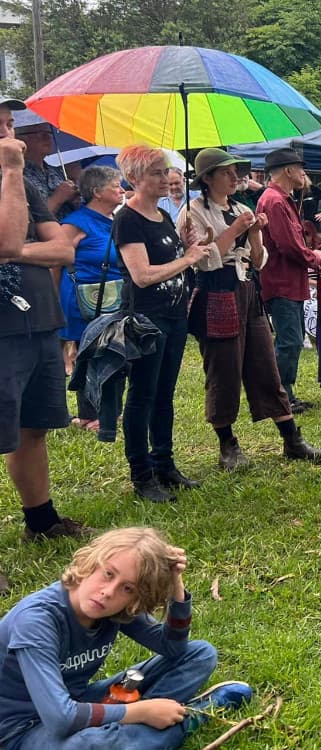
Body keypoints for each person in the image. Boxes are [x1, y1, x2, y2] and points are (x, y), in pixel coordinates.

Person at [0, 527, 254, 750]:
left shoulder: (113, 608)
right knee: (92, 745)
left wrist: (175, 584)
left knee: (200, 654)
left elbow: (173, 648)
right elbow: (60, 719)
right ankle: (184, 721)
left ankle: (147, 724)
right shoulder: (37, 621)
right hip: (20, 732)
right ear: (90, 562)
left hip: (76, 701)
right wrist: (138, 712)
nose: (108, 592)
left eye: (128, 588)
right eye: (108, 574)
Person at [181, 147, 321, 470]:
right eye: (226, 172)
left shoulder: (239, 205)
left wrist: (255, 233)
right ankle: (228, 445)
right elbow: (204, 259)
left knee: (265, 362)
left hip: (247, 288)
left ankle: (291, 438)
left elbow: (258, 259)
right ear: (207, 179)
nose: (235, 177)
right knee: (224, 368)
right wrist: (236, 230)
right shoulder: (193, 212)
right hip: (216, 290)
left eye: (236, 171)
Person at [0, 96, 92, 559]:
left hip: (38, 319)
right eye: (1, 126)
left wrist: (17, 250)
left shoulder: (26, 188)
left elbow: (63, 250)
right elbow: (8, 237)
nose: (10, 136)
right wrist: (14, 174)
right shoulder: (16, 177)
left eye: (10, 123)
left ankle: (41, 520)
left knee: (32, 427)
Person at [114, 145, 207, 502]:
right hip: (146, 319)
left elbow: (177, 259)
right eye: (156, 172)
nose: (166, 178)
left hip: (173, 316)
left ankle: (164, 463)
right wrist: (186, 259)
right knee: (142, 395)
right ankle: (142, 474)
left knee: (164, 395)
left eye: (166, 170)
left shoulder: (164, 217)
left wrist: (187, 247)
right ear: (134, 178)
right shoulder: (129, 218)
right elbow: (141, 275)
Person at [256, 148, 321, 413]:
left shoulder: (281, 199)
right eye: (300, 168)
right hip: (281, 281)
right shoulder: (274, 201)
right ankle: (278, 395)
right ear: (287, 170)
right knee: (289, 340)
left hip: (289, 280)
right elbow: (288, 245)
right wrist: (314, 256)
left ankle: (286, 392)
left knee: (292, 339)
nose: (303, 173)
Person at [59, 166, 125, 432]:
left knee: (111, 352)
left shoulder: (114, 220)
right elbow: (57, 261)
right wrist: (54, 300)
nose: (122, 190)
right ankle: (92, 414)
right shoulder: (76, 222)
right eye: (116, 185)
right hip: (84, 300)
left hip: (112, 297)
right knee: (90, 354)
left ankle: (108, 410)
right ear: (97, 192)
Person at [15, 123, 79, 220]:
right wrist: (57, 199)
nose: (47, 137)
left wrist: (75, 200)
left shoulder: (57, 172)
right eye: (39, 133)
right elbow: (28, 221)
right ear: (20, 139)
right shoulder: (17, 175)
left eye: (49, 133)